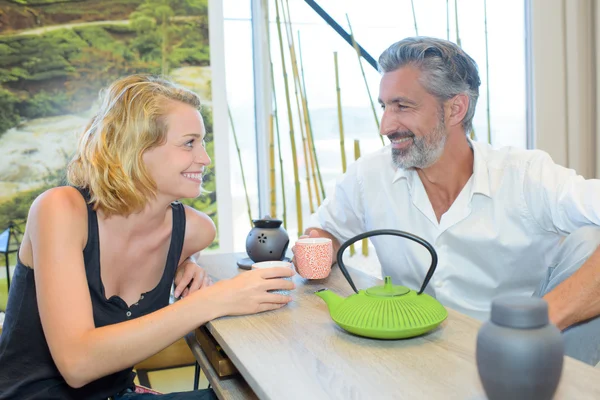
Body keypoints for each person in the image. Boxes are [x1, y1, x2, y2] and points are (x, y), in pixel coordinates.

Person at [299, 37, 600, 366]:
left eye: (403, 106)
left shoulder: (526, 176)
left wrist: (536, 322)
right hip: (407, 358)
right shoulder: (368, 175)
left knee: (588, 237)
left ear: (456, 108)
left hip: (513, 363)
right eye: (384, 106)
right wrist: (309, 254)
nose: (386, 125)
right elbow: (325, 231)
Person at [0, 75, 294, 399]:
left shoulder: (195, 231)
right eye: (189, 143)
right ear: (137, 148)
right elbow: (77, 364)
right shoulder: (60, 211)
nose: (205, 159)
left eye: (204, 142)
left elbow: (172, 250)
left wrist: (186, 261)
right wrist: (213, 300)